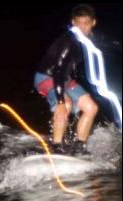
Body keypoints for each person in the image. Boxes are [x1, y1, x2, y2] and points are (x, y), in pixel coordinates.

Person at [34, 4, 99, 155]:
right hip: (47, 77)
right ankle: (56, 147)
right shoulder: (68, 41)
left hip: (66, 79)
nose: (82, 27)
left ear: (93, 23)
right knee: (66, 105)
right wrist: (61, 102)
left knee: (91, 108)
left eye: (86, 23)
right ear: (73, 23)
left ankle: (79, 147)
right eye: (79, 23)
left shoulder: (90, 41)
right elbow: (57, 71)